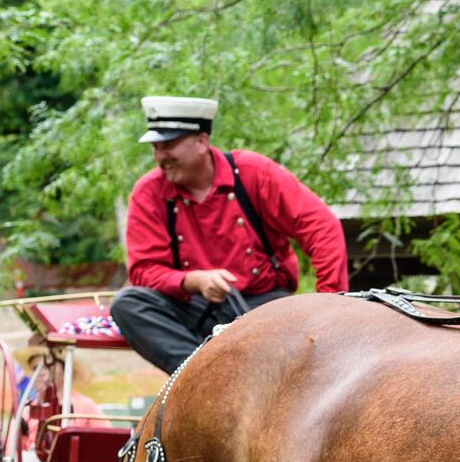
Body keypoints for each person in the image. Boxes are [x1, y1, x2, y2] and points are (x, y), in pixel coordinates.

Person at [111, 95, 348, 373]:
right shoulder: (148, 192)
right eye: (156, 147)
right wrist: (192, 280)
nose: (160, 157)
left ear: (201, 141)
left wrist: (330, 308)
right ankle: (198, 377)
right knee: (127, 304)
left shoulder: (252, 173)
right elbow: (143, 270)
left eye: (169, 145)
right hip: (195, 308)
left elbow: (322, 229)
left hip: (265, 305)